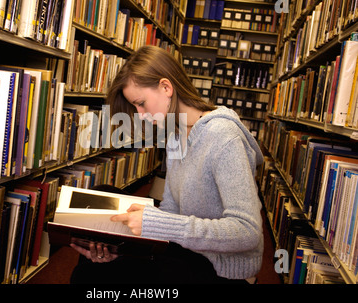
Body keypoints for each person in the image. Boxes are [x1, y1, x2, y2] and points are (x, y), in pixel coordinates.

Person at [70, 45, 264, 284]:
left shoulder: (223, 136)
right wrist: (123, 246)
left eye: (141, 103)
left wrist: (155, 224)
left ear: (166, 87)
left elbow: (248, 233)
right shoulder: (174, 133)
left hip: (219, 268)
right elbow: (171, 209)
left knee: (90, 276)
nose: (140, 114)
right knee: (100, 199)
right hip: (187, 249)